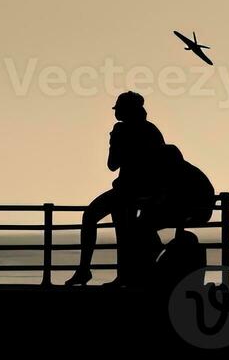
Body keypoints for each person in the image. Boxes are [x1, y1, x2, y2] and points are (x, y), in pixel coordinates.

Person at [67, 93, 166, 286]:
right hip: (147, 190)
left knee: (92, 216)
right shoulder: (152, 130)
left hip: (128, 190)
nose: (116, 112)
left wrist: (115, 142)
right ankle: (123, 274)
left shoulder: (122, 130)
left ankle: (86, 269)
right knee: (123, 230)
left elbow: (112, 164)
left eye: (118, 108)